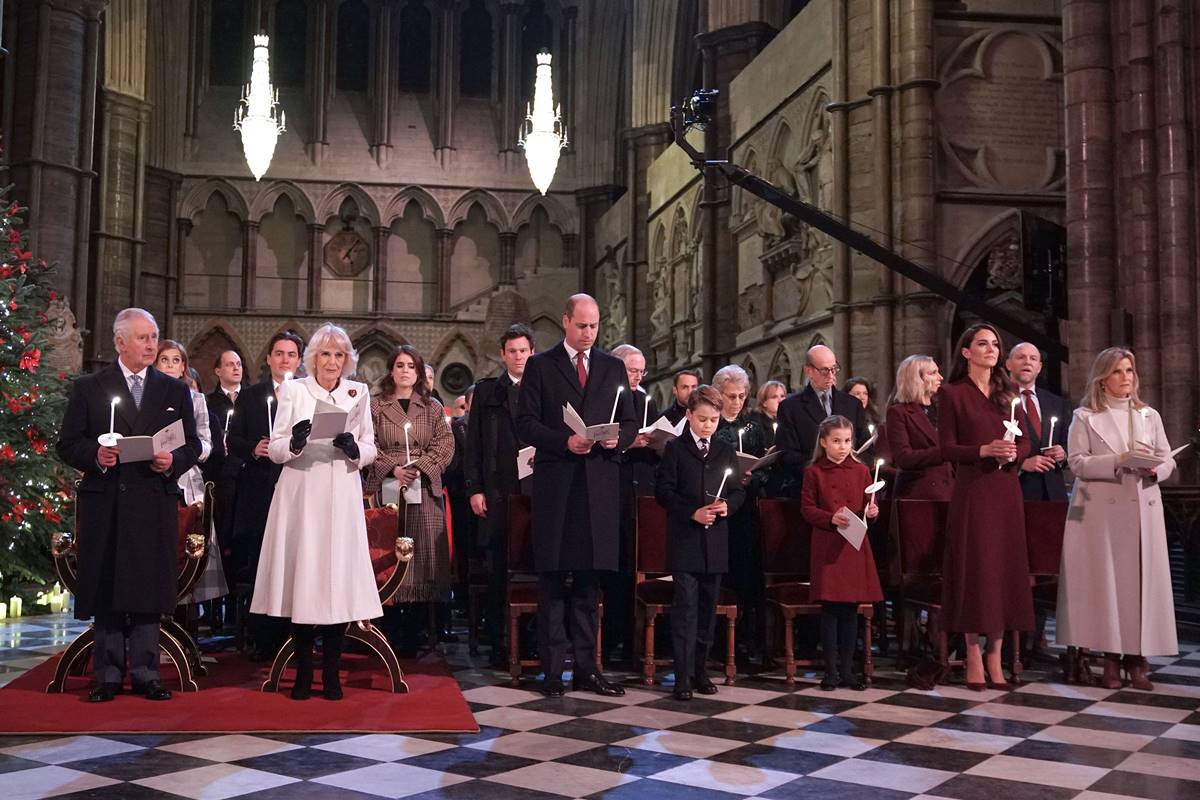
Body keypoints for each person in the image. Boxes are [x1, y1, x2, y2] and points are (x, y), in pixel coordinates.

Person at [56, 308, 201, 702]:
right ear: (120, 342)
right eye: (143, 338)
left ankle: (146, 672)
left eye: (154, 337)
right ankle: (105, 675)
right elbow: (67, 443)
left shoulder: (173, 390)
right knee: (107, 585)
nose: (152, 345)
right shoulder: (91, 386)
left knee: (146, 587)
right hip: (107, 502)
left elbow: (193, 444)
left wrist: (173, 460)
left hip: (152, 500)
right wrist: (95, 456)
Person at [516, 294, 637, 697]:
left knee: (588, 586)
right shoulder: (540, 365)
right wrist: (563, 442)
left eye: (595, 326)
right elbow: (526, 424)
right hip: (558, 487)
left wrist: (615, 441)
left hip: (599, 488)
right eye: (582, 326)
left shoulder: (612, 366)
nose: (589, 334)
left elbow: (630, 421)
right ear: (565, 322)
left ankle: (587, 668)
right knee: (552, 583)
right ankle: (552, 672)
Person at [251, 323, 381, 700]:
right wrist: (294, 442)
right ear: (313, 359)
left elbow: (371, 446)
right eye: (325, 354)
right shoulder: (293, 390)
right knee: (305, 578)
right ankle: (305, 671)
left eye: (339, 355)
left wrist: (353, 448)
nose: (332, 362)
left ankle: (333, 675)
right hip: (301, 492)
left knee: (336, 580)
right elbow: (274, 447)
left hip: (340, 490)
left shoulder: (358, 392)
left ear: (347, 361)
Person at [1056, 347, 1177, 690]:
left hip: (1142, 505)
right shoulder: (1085, 416)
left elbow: (1168, 457)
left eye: (1129, 371)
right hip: (1102, 512)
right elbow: (1077, 463)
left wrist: (1158, 469)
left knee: (1141, 582)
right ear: (1102, 378)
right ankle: (1110, 656)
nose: (1126, 377)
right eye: (1118, 371)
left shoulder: (1148, 415)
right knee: (1108, 584)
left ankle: (1138, 659)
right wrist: (1117, 460)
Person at [937, 323, 1034, 690]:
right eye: (983, 344)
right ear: (966, 352)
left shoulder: (1008, 391)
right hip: (974, 490)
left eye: (995, 343)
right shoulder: (952, 393)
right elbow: (946, 448)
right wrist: (983, 450)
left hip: (1005, 489)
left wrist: (1014, 452)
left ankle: (997, 657)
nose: (992, 349)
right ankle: (973, 655)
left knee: (1003, 571)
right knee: (976, 570)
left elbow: (1024, 442)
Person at [655, 385, 745, 700]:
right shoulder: (675, 449)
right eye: (702, 418)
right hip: (686, 541)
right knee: (687, 610)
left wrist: (727, 506)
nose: (708, 425)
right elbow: (663, 492)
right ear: (689, 415)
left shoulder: (724, 450)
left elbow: (737, 491)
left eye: (714, 420)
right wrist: (691, 512)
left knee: (708, 611)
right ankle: (681, 677)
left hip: (716, 543)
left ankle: (700, 672)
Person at [365, 345, 456, 656]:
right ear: (391, 370)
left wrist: (418, 468)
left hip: (423, 491)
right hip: (387, 490)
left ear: (418, 373)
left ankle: (416, 631)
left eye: (411, 366)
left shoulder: (431, 408)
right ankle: (387, 627)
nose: (405, 370)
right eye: (400, 365)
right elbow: (368, 444)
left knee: (420, 559)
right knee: (389, 556)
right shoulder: (376, 406)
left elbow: (445, 445)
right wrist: (393, 468)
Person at [227, 331, 302, 659]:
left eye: (291, 354)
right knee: (262, 564)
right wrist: (254, 449)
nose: (285, 360)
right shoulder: (251, 395)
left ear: (299, 361)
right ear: (269, 358)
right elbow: (234, 440)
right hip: (260, 491)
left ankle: (296, 636)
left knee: (295, 564)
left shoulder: (306, 394)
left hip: (297, 488)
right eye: (279, 354)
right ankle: (263, 637)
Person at [465, 324, 535, 667]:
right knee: (496, 569)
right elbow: (475, 445)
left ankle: (531, 642)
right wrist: (475, 489)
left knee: (533, 567)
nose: (518, 356)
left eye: (523, 350)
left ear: (532, 352)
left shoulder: (543, 390)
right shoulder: (488, 391)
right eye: (512, 351)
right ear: (503, 354)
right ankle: (498, 644)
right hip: (496, 491)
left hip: (534, 494)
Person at [801, 415, 882, 690]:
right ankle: (831, 671)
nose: (843, 446)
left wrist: (872, 511)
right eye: (836, 441)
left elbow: (867, 506)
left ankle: (848, 670)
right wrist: (829, 518)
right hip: (827, 546)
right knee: (830, 610)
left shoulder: (861, 471)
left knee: (850, 611)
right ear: (823, 443)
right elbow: (807, 509)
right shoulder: (814, 472)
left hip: (853, 546)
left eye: (847, 441)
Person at [155, 341, 227, 611]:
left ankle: (188, 629)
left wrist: (182, 453)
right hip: (152, 476)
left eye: (176, 360)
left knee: (189, 555)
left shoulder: (196, 400)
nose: (171, 365)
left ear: (184, 366)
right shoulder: (146, 396)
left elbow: (207, 445)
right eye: (165, 360)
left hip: (187, 483)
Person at [710, 365, 768, 661]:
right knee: (723, 576)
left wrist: (753, 477)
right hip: (719, 511)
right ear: (719, 395)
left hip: (746, 511)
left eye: (742, 396)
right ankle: (719, 642)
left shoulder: (754, 426)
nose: (737, 402)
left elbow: (764, 466)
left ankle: (748, 641)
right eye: (731, 396)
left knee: (748, 577)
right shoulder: (712, 426)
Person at [608, 344, 658, 664]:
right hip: (614, 493)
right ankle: (612, 641)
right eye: (632, 370)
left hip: (642, 493)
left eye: (641, 371)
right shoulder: (606, 398)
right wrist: (629, 442)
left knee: (638, 570)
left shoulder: (646, 401)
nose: (638, 377)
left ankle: (637, 644)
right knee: (614, 572)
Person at [776, 345, 868, 496]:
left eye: (834, 369)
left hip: (851, 487)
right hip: (812, 488)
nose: (831, 375)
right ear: (808, 371)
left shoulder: (852, 404)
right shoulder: (790, 407)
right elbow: (787, 454)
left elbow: (866, 448)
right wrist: (822, 474)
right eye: (825, 370)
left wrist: (852, 472)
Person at [204, 349, 244, 622]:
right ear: (217, 370)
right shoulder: (208, 402)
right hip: (219, 479)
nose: (236, 368)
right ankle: (214, 609)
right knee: (218, 542)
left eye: (239, 364)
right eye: (229, 364)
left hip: (244, 478)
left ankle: (238, 612)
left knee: (241, 544)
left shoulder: (251, 398)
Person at [1005, 342, 1069, 501]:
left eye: (1033, 358)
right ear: (1008, 364)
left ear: (1039, 367)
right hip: (1016, 491)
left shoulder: (1055, 402)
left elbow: (1068, 443)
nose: (1027, 362)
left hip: (1054, 493)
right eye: (1021, 357)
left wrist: (1063, 453)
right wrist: (1021, 464)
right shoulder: (998, 400)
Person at [886, 355, 952, 500]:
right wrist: (945, 452)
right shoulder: (898, 412)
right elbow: (904, 458)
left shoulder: (944, 408)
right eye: (933, 373)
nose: (940, 377)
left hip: (951, 491)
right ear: (917, 378)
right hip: (920, 492)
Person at [750, 379, 789, 496]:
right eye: (774, 397)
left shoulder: (788, 420)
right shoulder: (755, 422)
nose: (780, 400)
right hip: (764, 477)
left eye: (782, 396)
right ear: (764, 402)